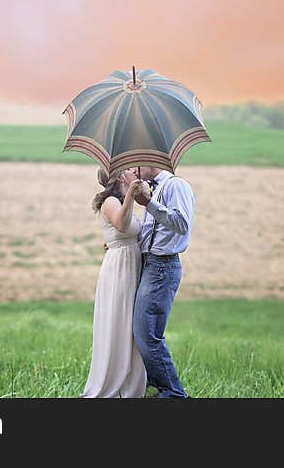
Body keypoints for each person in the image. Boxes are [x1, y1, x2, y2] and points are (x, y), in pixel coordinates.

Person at [80, 167, 149, 398]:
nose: (134, 171)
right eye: (129, 169)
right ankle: (115, 383)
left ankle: (132, 384)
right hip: (119, 267)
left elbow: (130, 230)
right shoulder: (111, 201)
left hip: (131, 263)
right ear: (120, 176)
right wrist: (131, 194)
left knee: (132, 324)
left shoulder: (122, 201)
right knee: (120, 321)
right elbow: (121, 225)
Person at [131, 165, 194, 399]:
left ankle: (173, 393)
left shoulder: (175, 185)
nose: (134, 171)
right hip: (150, 264)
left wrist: (149, 203)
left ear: (151, 161)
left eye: (137, 164)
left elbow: (182, 224)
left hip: (162, 266)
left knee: (147, 333)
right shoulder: (153, 190)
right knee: (141, 331)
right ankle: (154, 388)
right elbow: (151, 233)